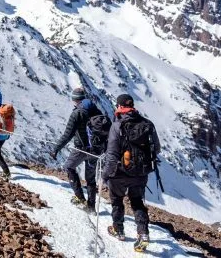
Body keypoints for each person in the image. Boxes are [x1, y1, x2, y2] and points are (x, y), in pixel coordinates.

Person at [102, 94, 160, 252]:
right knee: (137, 202)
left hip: (119, 173)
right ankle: (143, 234)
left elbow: (112, 155)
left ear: (120, 107)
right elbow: (157, 148)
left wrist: (105, 175)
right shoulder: (148, 124)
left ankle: (118, 230)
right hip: (140, 172)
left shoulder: (117, 126)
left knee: (117, 201)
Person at [50, 87, 103, 212]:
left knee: (69, 167)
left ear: (74, 100)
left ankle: (80, 197)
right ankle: (91, 207)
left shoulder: (77, 113)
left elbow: (68, 134)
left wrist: (56, 149)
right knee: (90, 179)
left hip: (81, 149)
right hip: (95, 150)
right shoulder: (96, 110)